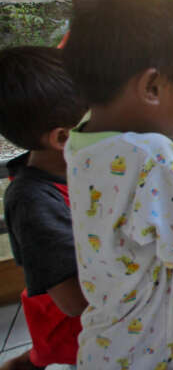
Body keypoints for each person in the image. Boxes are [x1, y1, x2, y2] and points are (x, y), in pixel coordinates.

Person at [62, 0, 173, 370]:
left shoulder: (82, 139)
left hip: (102, 345)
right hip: (150, 357)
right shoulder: (154, 156)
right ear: (152, 87)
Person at [0, 46, 89, 370]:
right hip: (72, 328)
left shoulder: (74, 168)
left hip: (72, 319)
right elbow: (75, 301)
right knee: (54, 355)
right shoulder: (31, 203)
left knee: (40, 356)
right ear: (64, 137)